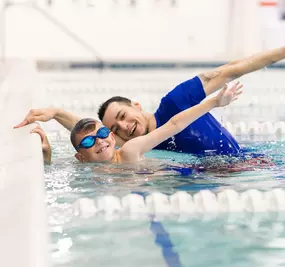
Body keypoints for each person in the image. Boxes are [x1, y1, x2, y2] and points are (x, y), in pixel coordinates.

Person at [14, 46, 285, 156]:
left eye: (122, 115)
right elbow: (93, 135)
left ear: (136, 106)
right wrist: (56, 112)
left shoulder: (176, 101)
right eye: (115, 128)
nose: (123, 127)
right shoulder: (131, 144)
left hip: (245, 165)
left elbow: (234, 69)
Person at [69, 82, 241, 164]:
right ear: (80, 157)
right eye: (88, 141)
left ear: (112, 138)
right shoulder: (88, 169)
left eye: (102, 134)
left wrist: (214, 102)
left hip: (186, 175)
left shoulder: (130, 150)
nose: (99, 140)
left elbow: (174, 125)